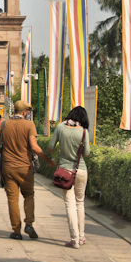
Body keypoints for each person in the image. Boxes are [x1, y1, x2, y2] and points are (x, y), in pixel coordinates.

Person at [0, 100, 55, 240]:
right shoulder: (29, 125)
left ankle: (16, 231)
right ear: (24, 112)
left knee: (12, 199)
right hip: (25, 167)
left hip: (8, 167)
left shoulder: (3, 125)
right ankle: (29, 224)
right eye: (27, 111)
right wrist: (47, 159)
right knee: (28, 195)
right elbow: (34, 147)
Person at [48, 106, 90, 249]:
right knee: (80, 203)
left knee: (69, 204)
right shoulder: (84, 132)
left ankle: (74, 240)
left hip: (65, 171)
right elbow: (86, 154)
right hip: (81, 170)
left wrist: (55, 157)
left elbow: (51, 146)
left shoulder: (60, 127)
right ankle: (81, 236)